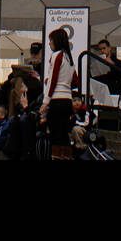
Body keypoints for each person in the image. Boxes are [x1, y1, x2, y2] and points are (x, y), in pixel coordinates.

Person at [40, 27, 77, 160]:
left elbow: (53, 80)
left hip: (57, 100)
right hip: (67, 100)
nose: (49, 43)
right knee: (64, 135)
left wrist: (45, 102)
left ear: (56, 41)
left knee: (55, 135)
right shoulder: (69, 58)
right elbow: (75, 82)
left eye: (51, 40)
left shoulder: (56, 55)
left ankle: (56, 157)